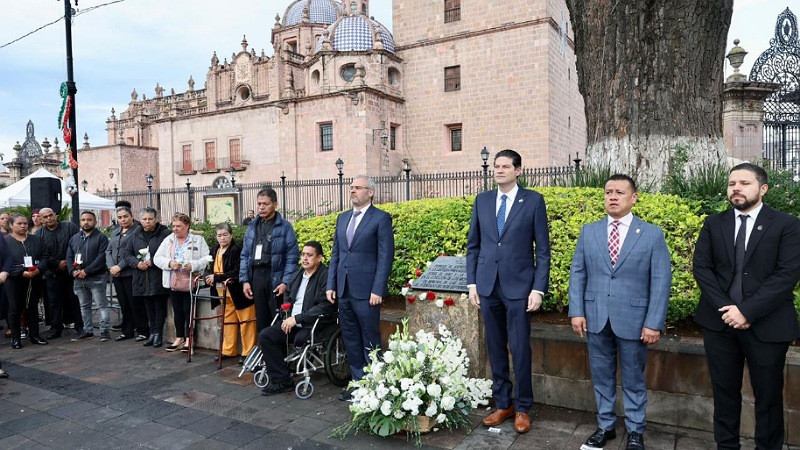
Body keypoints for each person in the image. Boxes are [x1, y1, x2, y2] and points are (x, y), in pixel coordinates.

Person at [693, 163, 800, 450]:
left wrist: (747, 311)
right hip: (720, 324)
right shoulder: (714, 223)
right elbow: (702, 269)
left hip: (767, 325)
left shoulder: (787, 225)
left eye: (744, 183)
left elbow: (786, 275)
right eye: (731, 184)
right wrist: (728, 309)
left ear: (763, 189)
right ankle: (727, 446)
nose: (736, 188)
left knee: (768, 397)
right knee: (724, 393)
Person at [568, 174, 671, 450]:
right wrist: (576, 311)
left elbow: (661, 281)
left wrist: (653, 322)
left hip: (635, 321)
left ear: (633, 198)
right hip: (596, 317)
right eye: (608, 192)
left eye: (619, 192)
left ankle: (636, 431)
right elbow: (578, 273)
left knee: (634, 378)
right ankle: (605, 427)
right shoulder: (589, 231)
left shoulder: (651, 234)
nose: (612, 197)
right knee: (601, 376)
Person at [465, 149, 550, 434]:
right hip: (488, 286)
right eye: (496, 166)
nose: (499, 170)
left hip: (519, 287)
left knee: (520, 348)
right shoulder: (483, 201)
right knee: (495, 347)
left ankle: (524, 407)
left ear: (518, 171)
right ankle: (503, 403)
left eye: (505, 166)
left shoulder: (534, 201)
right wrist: (472, 283)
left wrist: (538, 288)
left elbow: (544, 251)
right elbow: (473, 246)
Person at [326, 175, 394, 401]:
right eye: (351, 187)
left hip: (367, 292)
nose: (352, 190)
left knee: (370, 338)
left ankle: (374, 384)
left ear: (370, 192)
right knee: (350, 338)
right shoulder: (342, 218)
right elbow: (337, 253)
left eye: (357, 187)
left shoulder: (380, 218)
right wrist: (331, 284)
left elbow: (385, 257)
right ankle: (356, 383)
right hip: (344, 289)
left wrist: (378, 289)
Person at [260, 241, 335, 395]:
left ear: (319, 258)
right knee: (266, 335)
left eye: (310, 255)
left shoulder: (325, 276)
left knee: (300, 339)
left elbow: (324, 305)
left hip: (314, 324)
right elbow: (288, 294)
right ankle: (282, 380)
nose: (305, 258)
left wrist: (298, 318)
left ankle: (283, 376)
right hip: (292, 321)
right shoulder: (298, 274)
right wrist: (287, 310)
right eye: (303, 254)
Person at [240, 188, 298, 333]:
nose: (261, 207)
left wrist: (285, 282)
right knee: (261, 317)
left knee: (277, 317)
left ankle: (279, 353)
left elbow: (292, 257)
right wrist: (245, 280)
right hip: (257, 276)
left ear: (275, 204)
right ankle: (264, 352)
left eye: (265, 204)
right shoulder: (252, 227)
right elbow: (245, 254)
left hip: (275, 276)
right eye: (259, 204)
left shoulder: (285, 227)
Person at [153, 212, 209, 352]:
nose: (175, 229)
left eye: (179, 226)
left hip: (191, 280)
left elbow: (207, 258)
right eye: (174, 226)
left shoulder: (198, 240)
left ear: (187, 226)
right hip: (174, 280)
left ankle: (190, 338)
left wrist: (194, 265)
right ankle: (179, 337)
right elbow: (157, 258)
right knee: (177, 310)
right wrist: (170, 263)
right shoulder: (169, 240)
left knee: (188, 310)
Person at [204, 223, 255, 361]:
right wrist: (208, 277)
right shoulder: (214, 249)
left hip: (238, 290)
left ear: (231, 235)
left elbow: (238, 271)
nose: (222, 238)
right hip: (221, 291)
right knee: (227, 320)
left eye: (225, 235)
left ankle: (248, 352)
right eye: (219, 235)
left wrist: (218, 277)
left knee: (246, 320)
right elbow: (207, 268)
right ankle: (228, 349)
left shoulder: (237, 250)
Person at [121, 207, 171, 348]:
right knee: (148, 305)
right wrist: (137, 264)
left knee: (159, 305)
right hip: (142, 275)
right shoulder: (136, 233)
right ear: (140, 220)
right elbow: (126, 253)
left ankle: (158, 334)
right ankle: (152, 333)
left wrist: (154, 260)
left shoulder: (165, 233)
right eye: (144, 219)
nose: (147, 222)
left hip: (158, 274)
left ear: (156, 219)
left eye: (150, 219)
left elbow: (170, 252)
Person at [36, 208, 83, 339]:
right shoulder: (39, 234)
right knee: (53, 302)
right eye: (45, 217)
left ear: (55, 215)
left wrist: (67, 262)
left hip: (71, 271)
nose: (49, 218)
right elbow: (41, 254)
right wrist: (57, 263)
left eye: (51, 215)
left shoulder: (69, 227)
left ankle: (80, 326)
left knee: (74, 300)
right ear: (41, 219)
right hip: (52, 273)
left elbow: (77, 246)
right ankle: (56, 328)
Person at [4, 213, 47, 349]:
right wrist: (21, 272)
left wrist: (38, 269)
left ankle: (35, 335)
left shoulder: (36, 240)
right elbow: (3, 263)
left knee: (32, 307)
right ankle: (16, 338)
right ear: (11, 225)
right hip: (13, 280)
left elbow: (45, 256)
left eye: (25, 223)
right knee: (14, 308)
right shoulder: (5, 242)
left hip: (34, 278)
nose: (23, 226)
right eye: (19, 223)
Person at [67, 211, 111, 342]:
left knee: (101, 304)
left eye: (89, 220)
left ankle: (104, 331)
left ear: (95, 222)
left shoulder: (101, 237)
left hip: (96, 277)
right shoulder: (75, 238)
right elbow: (69, 256)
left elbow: (101, 257)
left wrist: (87, 270)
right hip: (78, 278)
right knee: (84, 306)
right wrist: (72, 271)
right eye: (83, 220)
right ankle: (88, 330)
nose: (86, 222)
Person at [107, 206, 147, 341]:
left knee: (135, 303)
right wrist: (111, 267)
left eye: (125, 216)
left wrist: (119, 266)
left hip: (130, 272)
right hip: (116, 274)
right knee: (123, 304)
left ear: (131, 216)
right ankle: (127, 331)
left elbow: (133, 252)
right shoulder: (115, 232)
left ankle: (142, 330)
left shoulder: (137, 231)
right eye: (120, 217)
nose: (123, 219)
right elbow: (108, 251)